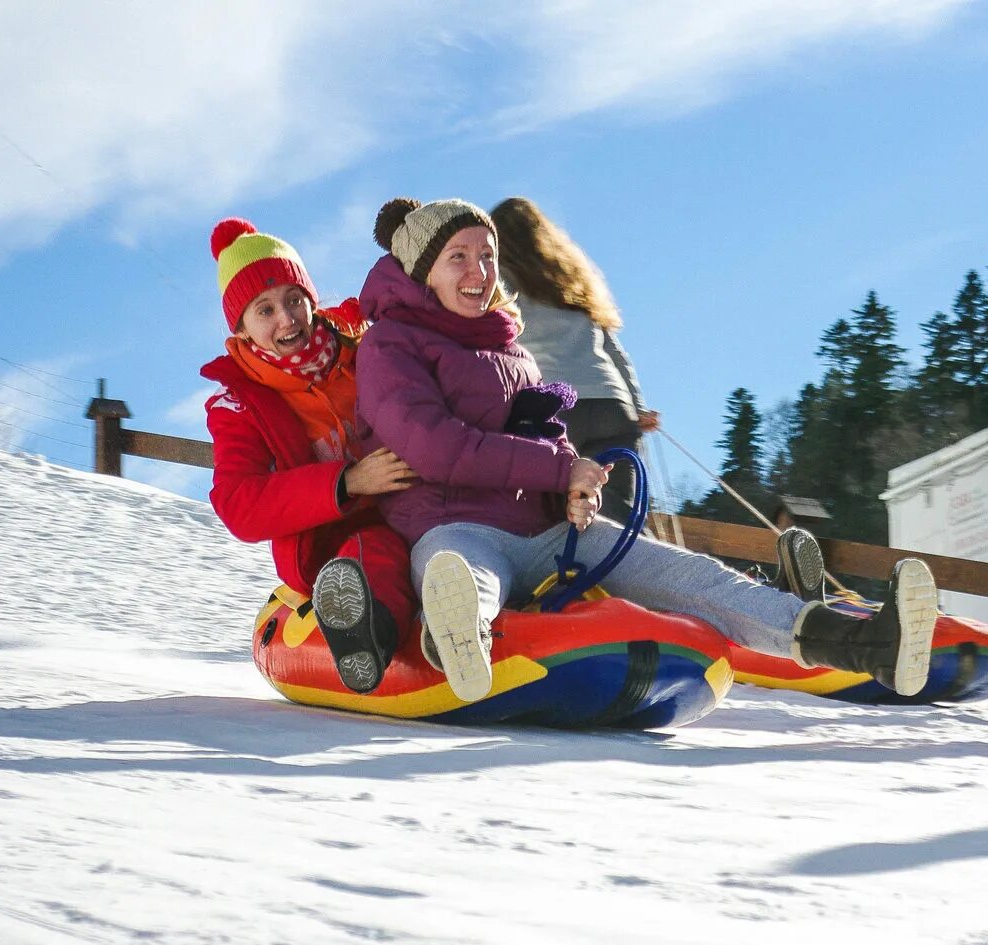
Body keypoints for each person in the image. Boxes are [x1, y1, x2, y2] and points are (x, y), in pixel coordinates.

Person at [353, 197, 940, 705]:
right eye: (459, 257)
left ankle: (869, 645)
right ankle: (457, 638)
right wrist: (563, 466)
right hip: (451, 525)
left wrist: (573, 492)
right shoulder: (389, 345)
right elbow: (434, 448)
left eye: (487, 256)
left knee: (693, 575)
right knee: (462, 574)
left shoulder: (516, 352)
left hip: (545, 534)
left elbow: (548, 439)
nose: (479, 271)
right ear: (424, 270)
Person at [202, 218, 417, 695]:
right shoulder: (239, 403)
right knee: (376, 550)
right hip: (334, 536)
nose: (287, 319)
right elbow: (239, 502)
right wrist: (347, 482)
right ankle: (364, 635)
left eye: (294, 300)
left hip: (420, 498)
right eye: (265, 310)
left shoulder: (359, 343)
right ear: (241, 327)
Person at [489, 197, 658, 521]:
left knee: (556, 518)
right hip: (611, 403)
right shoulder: (571, 280)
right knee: (618, 517)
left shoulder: (501, 283)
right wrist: (637, 407)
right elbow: (614, 350)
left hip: (555, 409)